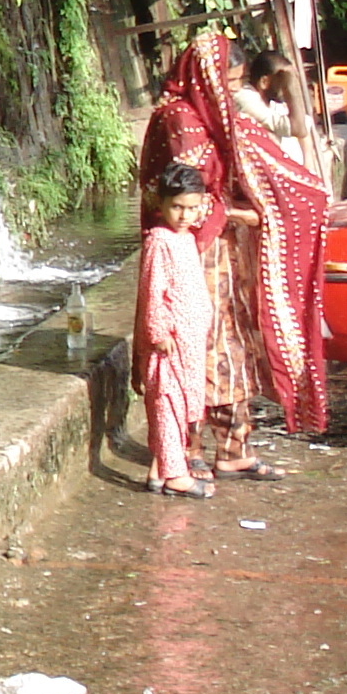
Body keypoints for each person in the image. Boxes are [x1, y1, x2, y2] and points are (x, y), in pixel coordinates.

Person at [137, 34, 331, 473]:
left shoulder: (220, 117)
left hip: (223, 255)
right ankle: (185, 451)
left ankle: (234, 448)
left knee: (233, 346)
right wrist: (244, 216)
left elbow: (271, 152)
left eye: (238, 83)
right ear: (205, 77)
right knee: (194, 348)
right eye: (227, 81)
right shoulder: (179, 119)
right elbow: (182, 195)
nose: (231, 93)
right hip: (190, 254)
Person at [134, 161, 216, 498]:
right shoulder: (159, 241)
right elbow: (153, 291)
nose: (184, 215)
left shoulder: (186, 239)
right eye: (177, 207)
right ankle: (175, 476)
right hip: (168, 342)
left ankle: (159, 468)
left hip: (190, 339)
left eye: (192, 208)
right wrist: (158, 333)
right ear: (161, 204)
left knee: (182, 404)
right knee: (167, 402)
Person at [233, 48, 306, 163]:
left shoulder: (269, 102)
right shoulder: (246, 98)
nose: (288, 85)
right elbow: (299, 129)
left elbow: (304, 127)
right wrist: (291, 88)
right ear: (264, 82)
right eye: (283, 80)